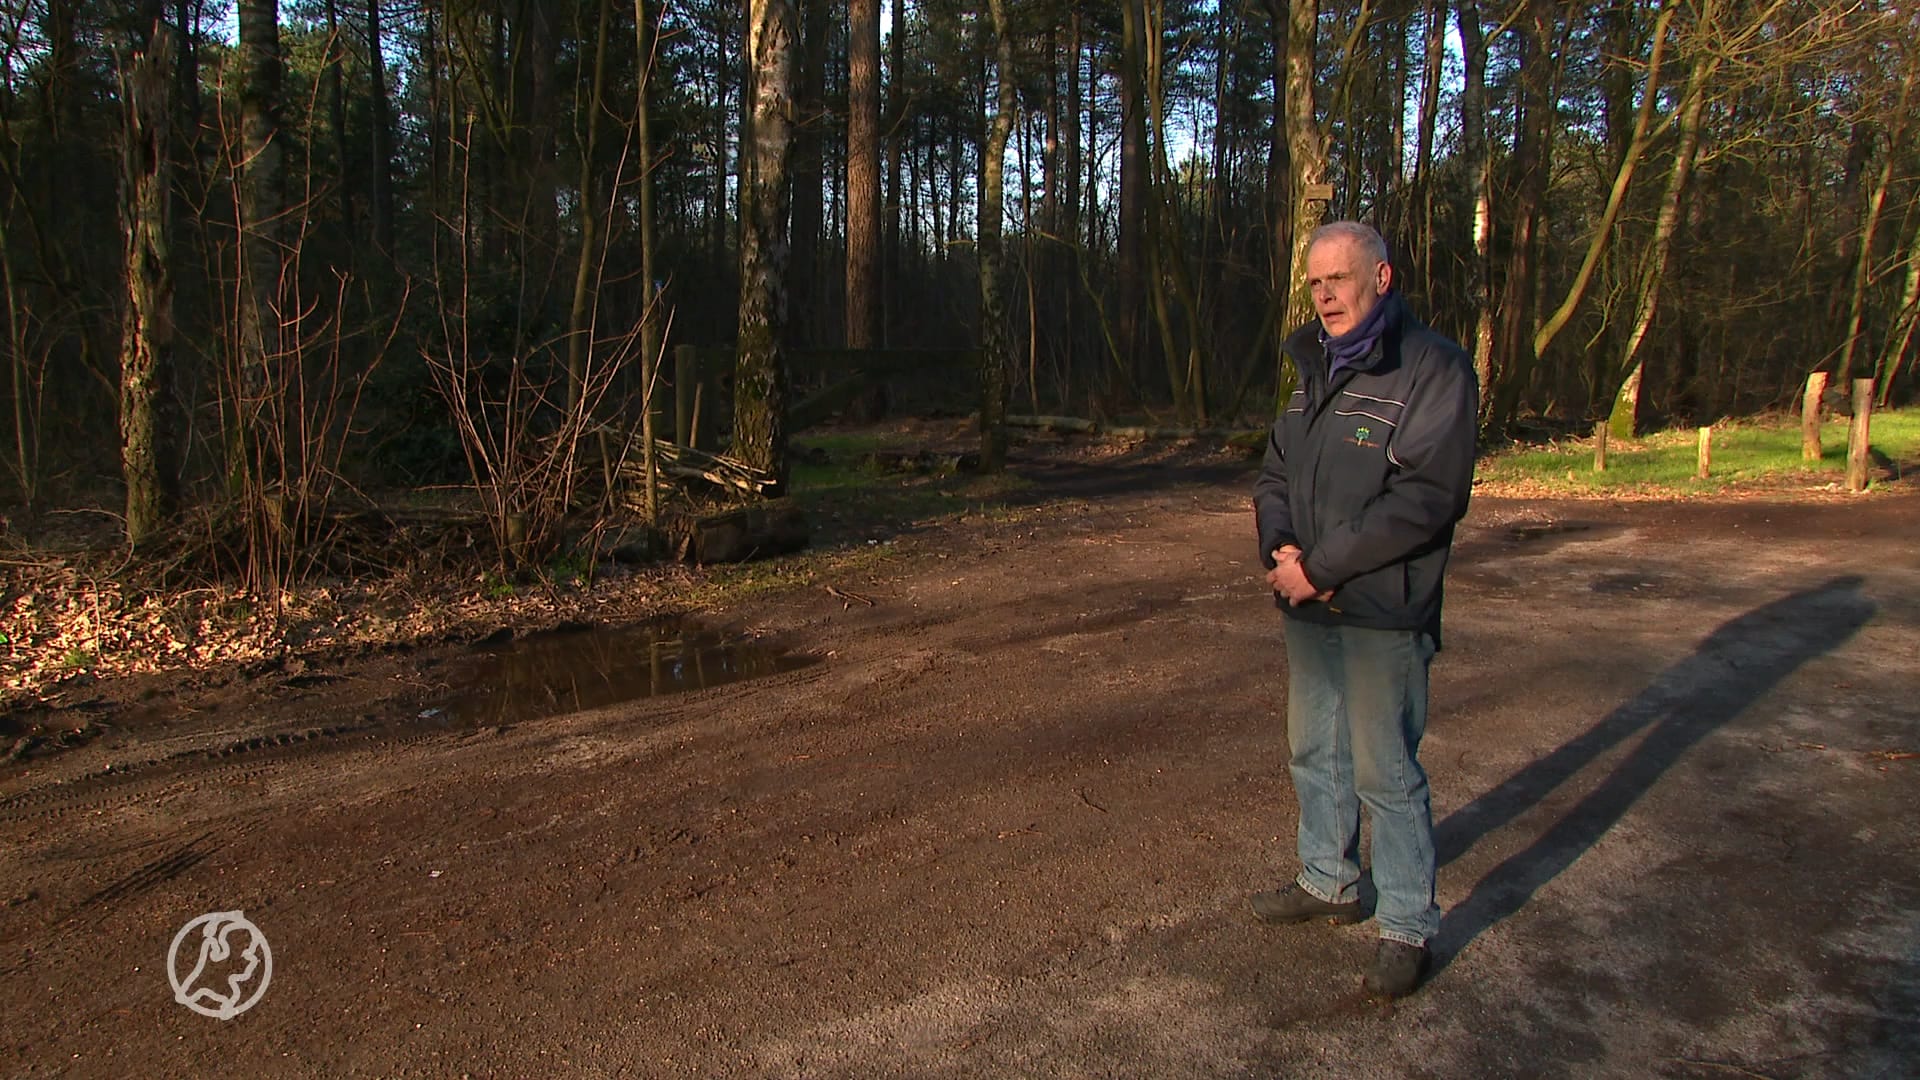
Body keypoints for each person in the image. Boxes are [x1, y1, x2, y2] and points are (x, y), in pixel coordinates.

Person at [1250, 221, 1478, 1001]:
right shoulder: (1310, 366)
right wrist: (1282, 551)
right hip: (1309, 602)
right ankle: (1329, 882)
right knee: (1314, 750)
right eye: (1314, 284)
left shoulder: (1434, 368)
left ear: (1381, 279)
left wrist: (1322, 567)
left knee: (1387, 770)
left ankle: (1409, 924)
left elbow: (1426, 499)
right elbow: (1275, 471)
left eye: (1339, 279)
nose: (1325, 296)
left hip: (1384, 607)